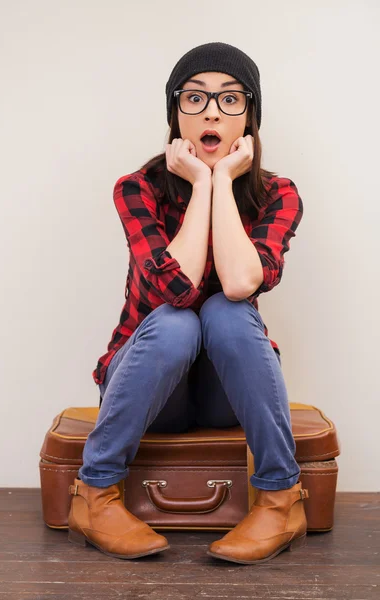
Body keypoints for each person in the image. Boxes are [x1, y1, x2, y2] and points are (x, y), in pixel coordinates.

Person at [68, 41, 308, 564]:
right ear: (176, 114)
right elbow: (174, 287)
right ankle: (95, 495)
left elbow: (244, 282)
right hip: (150, 384)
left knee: (226, 310)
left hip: (226, 391)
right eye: (194, 99)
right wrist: (201, 184)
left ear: (250, 116)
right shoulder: (138, 189)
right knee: (179, 321)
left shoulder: (278, 194)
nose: (211, 113)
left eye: (229, 100)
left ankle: (279, 501)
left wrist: (222, 181)